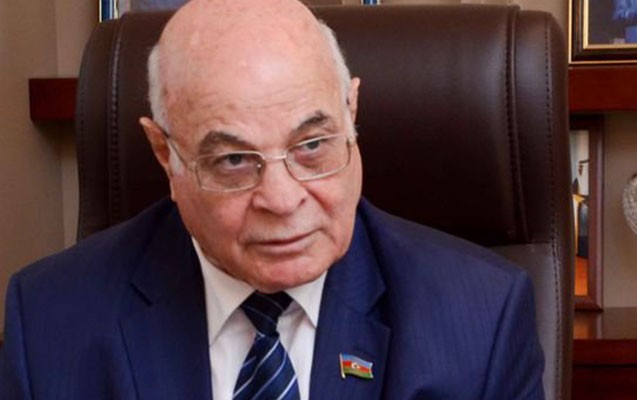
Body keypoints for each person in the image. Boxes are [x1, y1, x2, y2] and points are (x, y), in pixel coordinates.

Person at [0, 0, 545, 398]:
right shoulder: (53, 320)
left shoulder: (480, 320)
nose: (282, 201)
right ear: (165, 153)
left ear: (351, 114)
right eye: (234, 161)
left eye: (312, 146)